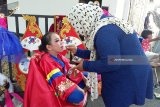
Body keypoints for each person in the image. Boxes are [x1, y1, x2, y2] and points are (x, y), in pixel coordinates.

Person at [66, 3, 153, 107]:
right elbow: (104, 54)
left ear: (83, 21)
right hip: (132, 64)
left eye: (77, 25)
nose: (78, 30)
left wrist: (85, 66)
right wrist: (77, 51)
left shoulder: (104, 32)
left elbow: (112, 62)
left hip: (128, 72)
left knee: (115, 101)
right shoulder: (106, 22)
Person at [24, 32, 87, 107]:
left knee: (87, 76)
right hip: (55, 87)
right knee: (79, 96)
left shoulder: (58, 55)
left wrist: (83, 77)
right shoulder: (47, 60)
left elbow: (69, 68)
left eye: (60, 40)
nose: (61, 42)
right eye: (57, 41)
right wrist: (79, 88)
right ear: (49, 47)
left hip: (62, 81)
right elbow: (59, 81)